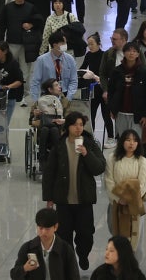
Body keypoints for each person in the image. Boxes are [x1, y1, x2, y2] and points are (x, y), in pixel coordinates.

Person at [42, 112, 106, 271]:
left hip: (84, 199)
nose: (78, 128)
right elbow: (49, 172)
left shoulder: (90, 143)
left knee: (86, 235)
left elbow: (99, 167)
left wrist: (86, 154)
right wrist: (49, 197)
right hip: (63, 200)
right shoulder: (59, 145)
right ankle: (70, 263)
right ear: (68, 127)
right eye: (75, 124)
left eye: (81, 125)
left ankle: (83, 254)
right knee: (64, 235)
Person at [104, 130, 146, 252]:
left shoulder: (142, 161)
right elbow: (109, 181)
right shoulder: (112, 158)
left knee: (135, 238)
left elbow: (143, 185)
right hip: (116, 204)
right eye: (128, 140)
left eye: (135, 140)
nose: (131, 143)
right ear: (122, 142)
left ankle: (133, 262)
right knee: (116, 234)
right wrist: (119, 199)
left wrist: (129, 199)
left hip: (134, 206)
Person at [10, 207, 81, 280]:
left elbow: (74, 276)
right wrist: (24, 268)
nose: (43, 232)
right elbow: (14, 275)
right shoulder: (27, 248)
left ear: (55, 227)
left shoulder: (65, 249)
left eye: (47, 229)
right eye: (40, 228)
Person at [107, 42, 146, 143]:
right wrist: (112, 108)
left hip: (138, 115)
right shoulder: (117, 72)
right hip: (121, 113)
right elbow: (111, 91)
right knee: (123, 141)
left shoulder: (145, 73)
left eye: (134, 51)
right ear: (124, 53)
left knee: (135, 142)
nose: (131, 53)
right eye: (129, 51)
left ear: (138, 54)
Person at [31, 31, 79, 102]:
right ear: (55, 45)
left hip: (64, 94)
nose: (65, 45)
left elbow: (74, 80)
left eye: (65, 43)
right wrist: (36, 101)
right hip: (47, 95)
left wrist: (68, 98)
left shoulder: (70, 59)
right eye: (63, 43)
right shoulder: (42, 60)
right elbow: (35, 81)